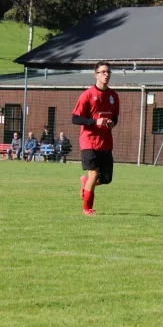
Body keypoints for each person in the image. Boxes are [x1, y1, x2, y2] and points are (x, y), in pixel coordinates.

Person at [72, 61, 120, 216]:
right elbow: (75, 119)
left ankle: (86, 184)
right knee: (93, 174)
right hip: (89, 141)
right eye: (103, 72)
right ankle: (87, 208)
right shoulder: (87, 95)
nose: (106, 75)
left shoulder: (113, 96)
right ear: (96, 75)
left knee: (106, 179)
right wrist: (94, 122)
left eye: (108, 72)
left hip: (105, 142)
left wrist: (112, 124)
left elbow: (115, 117)